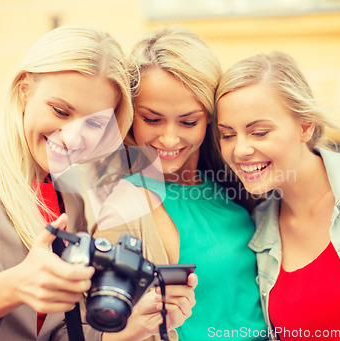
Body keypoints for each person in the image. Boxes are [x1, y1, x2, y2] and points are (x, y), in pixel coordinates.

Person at [0, 25, 195, 341]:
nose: (72, 138)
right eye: (60, 111)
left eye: (94, 123)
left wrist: (131, 328)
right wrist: (9, 288)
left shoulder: (71, 193)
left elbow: (54, 331)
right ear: (25, 89)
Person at [215, 51, 340, 341]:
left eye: (259, 132)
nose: (239, 150)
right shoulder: (257, 230)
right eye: (228, 135)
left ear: (305, 126)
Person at [92, 26, 267, 341]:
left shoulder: (236, 185)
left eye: (188, 121)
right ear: (131, 116)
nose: (170, 138)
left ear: (210, 118)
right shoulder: (126, 206)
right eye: (152, 119)